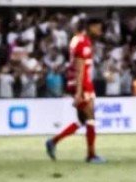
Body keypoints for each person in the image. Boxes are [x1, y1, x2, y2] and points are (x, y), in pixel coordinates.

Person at [45, 17, 105, 163]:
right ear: (90, 27)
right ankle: (91, 155)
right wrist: (78, 92)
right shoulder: (83, 43)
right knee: (91, 118)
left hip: (82, 83)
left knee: (82, 120)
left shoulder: (78, 40)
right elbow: (79, 68)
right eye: (98, 28)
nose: (100, 31)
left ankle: (53, 141)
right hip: (82, 84)